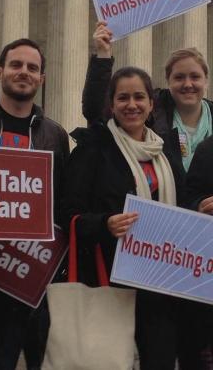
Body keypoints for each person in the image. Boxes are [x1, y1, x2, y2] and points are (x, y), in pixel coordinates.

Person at [61, 63, 213, 369]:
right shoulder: (93, 148)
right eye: (123, 98)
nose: (132, 105)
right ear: (112, 104)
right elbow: (68, 214)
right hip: (109, 281)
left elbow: (181, 203)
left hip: (160, 284)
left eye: (139, 97)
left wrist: (198, 208)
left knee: (160, 360)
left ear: (151, 104)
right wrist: (105, 223)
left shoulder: (164, 149)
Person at [0, 38, 70, 370]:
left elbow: (60, 201)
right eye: (16, 65)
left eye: (32, 68)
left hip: (26, 273)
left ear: (42, 78)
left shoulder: (54, 135)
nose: (23, 73)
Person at [83, 21, 213, 173]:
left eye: (195, 77)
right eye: (179, 77)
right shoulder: (150, 111)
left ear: (206, 81)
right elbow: (96, 112)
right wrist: (103, 55)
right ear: (168, 81)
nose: (188, 84)